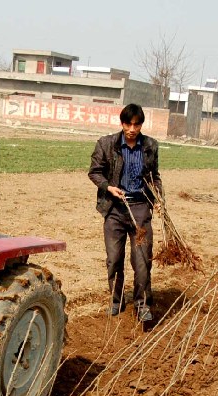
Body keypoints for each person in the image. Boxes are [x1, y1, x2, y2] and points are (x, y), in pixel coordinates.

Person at [88, 104, 163, 323]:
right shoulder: (106, 144)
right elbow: (94, 172)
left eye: (136, 124)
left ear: (141, 125)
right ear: (122, 123)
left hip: (140, 209)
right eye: (128, 124)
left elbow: (154, 176)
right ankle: (116, 300)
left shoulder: (150, 146)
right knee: (114, 259)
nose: (132, 128)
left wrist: (157, 198)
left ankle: (142, 304)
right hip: (114, 210)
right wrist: (108, 187)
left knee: (141, 260)